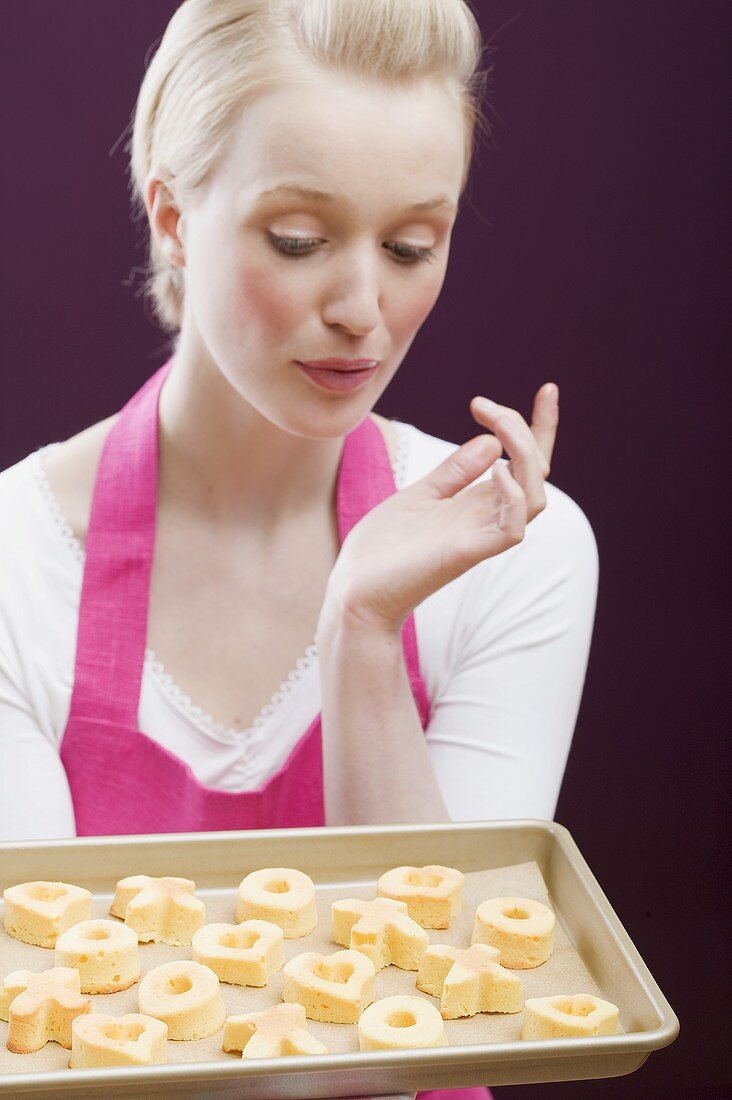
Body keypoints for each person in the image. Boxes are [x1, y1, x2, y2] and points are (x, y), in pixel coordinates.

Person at [0, 2, 598, 1097]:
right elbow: (41, 1035)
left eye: (413, 245)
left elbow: (442, 1011)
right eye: (299, 241)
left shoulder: (521, 550)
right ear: (174, 218)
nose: (364, 310)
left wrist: (363, 628)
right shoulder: (12, 563)